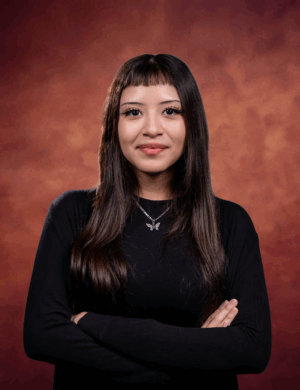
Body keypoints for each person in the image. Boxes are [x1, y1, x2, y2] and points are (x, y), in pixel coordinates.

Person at [23, 54, 272, 389]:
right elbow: (42, 335)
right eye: (133, 112)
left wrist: (96, 324)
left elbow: (252, 350)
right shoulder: (72, 212)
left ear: (191, 124)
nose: (151, 128)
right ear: (114, 124)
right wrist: (193, 360)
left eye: (170, 111)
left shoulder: (230, 222)